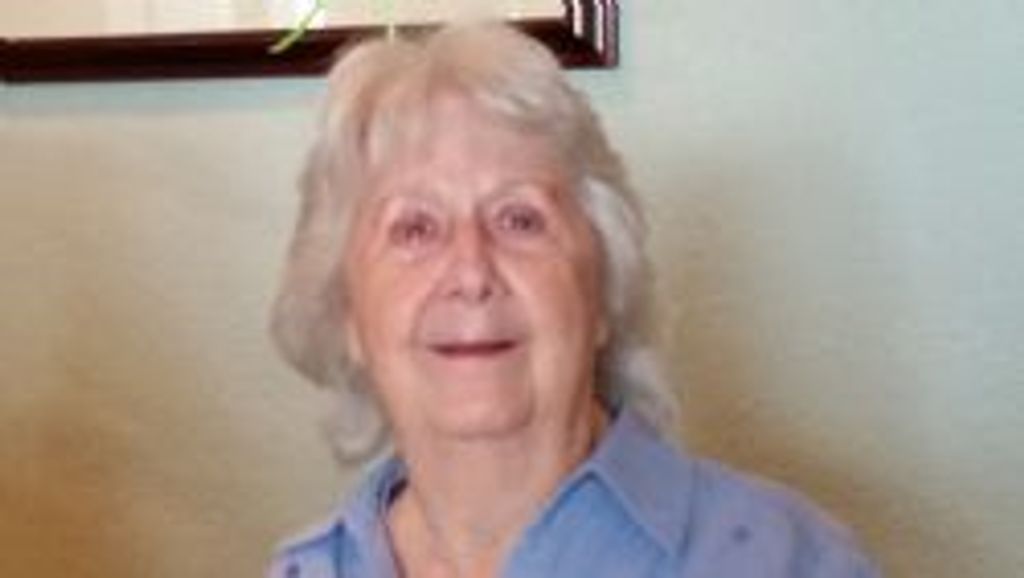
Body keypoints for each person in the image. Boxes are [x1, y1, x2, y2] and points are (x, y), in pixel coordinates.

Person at [267, 22, 881, 578]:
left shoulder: (790, 561)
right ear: (347, 312)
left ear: (604, 286)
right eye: (415, 229)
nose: (471, 273)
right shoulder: (307, 571)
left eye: (520, 219)